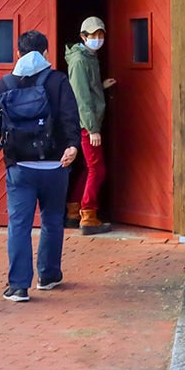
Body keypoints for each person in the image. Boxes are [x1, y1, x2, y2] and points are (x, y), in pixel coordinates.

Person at [0, 29, 80, 302]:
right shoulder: (58, 81)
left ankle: (18, 286)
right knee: (52, 220)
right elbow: (71, 115)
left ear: (18, 54)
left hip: (20, 167)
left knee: (19, 225)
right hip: (55, 165)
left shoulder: (5, 84)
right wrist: (73, 145)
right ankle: (48, 276)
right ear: (46, 53)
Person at [65, 16, 117, 235]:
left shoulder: (89, 57)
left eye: (100, 34)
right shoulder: (79, 61)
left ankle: (73, 211)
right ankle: (88, 215)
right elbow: (81, 97)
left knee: (89, 167)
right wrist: (92, 128)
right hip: (86, 124)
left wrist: (101, 87)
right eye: (92, 35)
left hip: (88, 122)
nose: (97, 39)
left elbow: (88, 89)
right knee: (97, 169)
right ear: (83, 37)